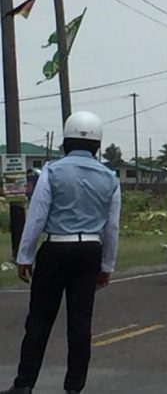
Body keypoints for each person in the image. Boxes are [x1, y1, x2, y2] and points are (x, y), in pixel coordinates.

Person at [3, 112, 121, 394]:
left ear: (65, 142)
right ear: (98, 146)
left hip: (56, 247)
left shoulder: (52, 172)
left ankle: (24, 384)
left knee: (40, 319)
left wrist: (25, 257)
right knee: (80, 322)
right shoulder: (110, 178)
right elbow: (112, 226)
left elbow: (37, 218)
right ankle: (74, 387)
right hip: (90, 250)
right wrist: (107, 265)